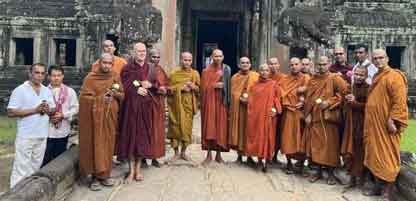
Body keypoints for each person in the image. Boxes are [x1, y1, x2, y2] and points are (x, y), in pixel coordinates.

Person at [362, 49, 408, 200]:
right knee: (374, 154)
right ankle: (378, 185)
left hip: (386, 124)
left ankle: (388, 189)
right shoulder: (376, 76)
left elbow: (399, 101)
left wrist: (392, 119)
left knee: (388, 155)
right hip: (373, 124)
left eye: (381, 57)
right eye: (375, 58)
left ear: (387, 58)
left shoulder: (395, 76)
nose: (378, 61)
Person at [79, 53, 124, 191]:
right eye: (104, 63)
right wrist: (99, 99)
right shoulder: (90, 78)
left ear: (112, 64)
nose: (107, 66)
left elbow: (122, 94)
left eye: (110, 63)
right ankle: (94, 177)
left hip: (109, 117)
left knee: (107, 144)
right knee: (94, 144)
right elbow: (84, 98)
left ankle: (104, 175)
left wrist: (114, 94)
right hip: (94, 119)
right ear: (99, 63)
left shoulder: (115, 76)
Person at [7, 63, 55, 188]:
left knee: (35, 167)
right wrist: (35, 110)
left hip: (42, 134)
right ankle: (15, 195)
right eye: (36, 72)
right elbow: (11, 112)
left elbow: (52, 110)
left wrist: (47, 109)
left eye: (42, 73)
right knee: (21, 168)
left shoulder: (46, 90)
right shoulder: (20, 90)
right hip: (26, 135)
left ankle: (29, 194)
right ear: (30, 74)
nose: (39, 76)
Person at [302, 56, 348, 185]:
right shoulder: (313, 80)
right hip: (315, 118)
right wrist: (307, 114)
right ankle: (318, 171)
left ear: (329, 64)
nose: (321, 66)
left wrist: (329, 102)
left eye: (324, 64)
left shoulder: (335, 78)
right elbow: (308, 99)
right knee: (316, 146)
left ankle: (331, 173)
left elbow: (343, 94)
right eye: (319, 64)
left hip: (329, 119)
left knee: (330, 146)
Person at [117, 43, 155, 183]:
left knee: (141, 137)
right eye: (138, 51)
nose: (141, 53)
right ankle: (131, 170)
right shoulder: (127, 68)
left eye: (143, 51)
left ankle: (138, 169)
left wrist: (150, 85)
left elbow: (156, 85)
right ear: (134, 52)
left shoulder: (151, 68)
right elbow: (124, 84)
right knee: (130, 136)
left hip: (145, 108)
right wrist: (136, 89)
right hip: (131, 110)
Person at [245, 63, 282, 172]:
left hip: (269, 116)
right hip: (256, 116)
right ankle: (260, 160)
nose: (264, 72)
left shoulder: (273, 84)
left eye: (266, 70)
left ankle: (267, 160)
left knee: (268, 137)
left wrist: (275, 110)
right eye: (262, 70)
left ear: (269, 72)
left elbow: (277, 99)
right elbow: (251, 101)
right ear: (258, 71)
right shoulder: (254, 85)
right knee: (258, 137)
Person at [166, 52, 200, 163]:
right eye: (185, 60)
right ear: (181, 60)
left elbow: (200, 90)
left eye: (189, 60)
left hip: (188, 105)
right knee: (175, 127)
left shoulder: (195, 74)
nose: (187, 62)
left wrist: (193, 87)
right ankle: (176, 153)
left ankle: (183, 152)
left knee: (187, 128)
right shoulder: (174, 73)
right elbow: (168, 89)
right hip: (175, 105)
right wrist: (181, 88)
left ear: (192, 61)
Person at [42, 65, 79, 166]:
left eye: (59, 75)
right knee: (45, 158)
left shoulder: (69, 91)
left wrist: (63, 115)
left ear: (63, 76)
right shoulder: (43, 91)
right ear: (48, 77)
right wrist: (50, 115)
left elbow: (75, 108)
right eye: (53, 75)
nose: (56, 78)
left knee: (59, 158)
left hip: (63, 130)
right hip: (46, 131)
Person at [340, 65, 369, 191]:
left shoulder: (369, 89)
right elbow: (343, 104)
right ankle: (352, 178)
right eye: (356, 74)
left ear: (366, 76)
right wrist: (346, 100)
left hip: (362, 124)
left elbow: (369, 107)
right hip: (349, 124)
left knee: (360, 151)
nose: (358, 77)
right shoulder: (350, 87)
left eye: (361, 75)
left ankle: (361, 178)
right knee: (348, 151)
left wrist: (354, 102)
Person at [279, 57, 310, 175]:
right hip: (288, 112)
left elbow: (311, 93)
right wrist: (289, 99)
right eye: (291, 65)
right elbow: (281, 93)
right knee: (287, 137)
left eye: (296, 64)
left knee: (301, 138)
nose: (294, 67)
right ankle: (289, 163)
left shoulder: (306, 78)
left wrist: (303, 101)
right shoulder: (285, 79)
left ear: (301, 65)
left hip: (301, 113)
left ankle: (301, 165)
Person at [200, 49, 231, 165]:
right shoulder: (206, 71)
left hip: (222, 103)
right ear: (212, 57)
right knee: (210, 127)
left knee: (221, 128)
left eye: (220, 56)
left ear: (223, 57)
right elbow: (202, 90)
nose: (218, 58)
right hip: (210, 103)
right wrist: (213, 85)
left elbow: (229, 87)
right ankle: (208, 154)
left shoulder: (226, 70)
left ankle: (219, 154)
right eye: (215, 56)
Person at [229, 57, 259, 164]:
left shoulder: (255, 76)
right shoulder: (234, 78)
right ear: (238, 65)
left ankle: (250, 156)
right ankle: (239, 156)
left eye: (247, 63)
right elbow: (232, 94)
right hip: (238, 109)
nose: (245, 64)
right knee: (239, 131)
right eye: (242, 63)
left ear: (250, 64)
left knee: (249, 131)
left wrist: (249, 99)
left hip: (251, 109)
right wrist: (239, 97)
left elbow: (259, 92)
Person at [142, 48, 169, 168]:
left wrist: (164, 89)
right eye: (153, 57)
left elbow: (167, 84)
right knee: (145, 129)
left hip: (158, 103)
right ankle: (142, 157)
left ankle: (154, 157)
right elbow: (140, 83)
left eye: (158, 57)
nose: (156, 59)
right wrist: (156, 87)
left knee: (157, 130)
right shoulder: (145, 69)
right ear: (149, 57)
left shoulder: (161, 70)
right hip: (147, 103)